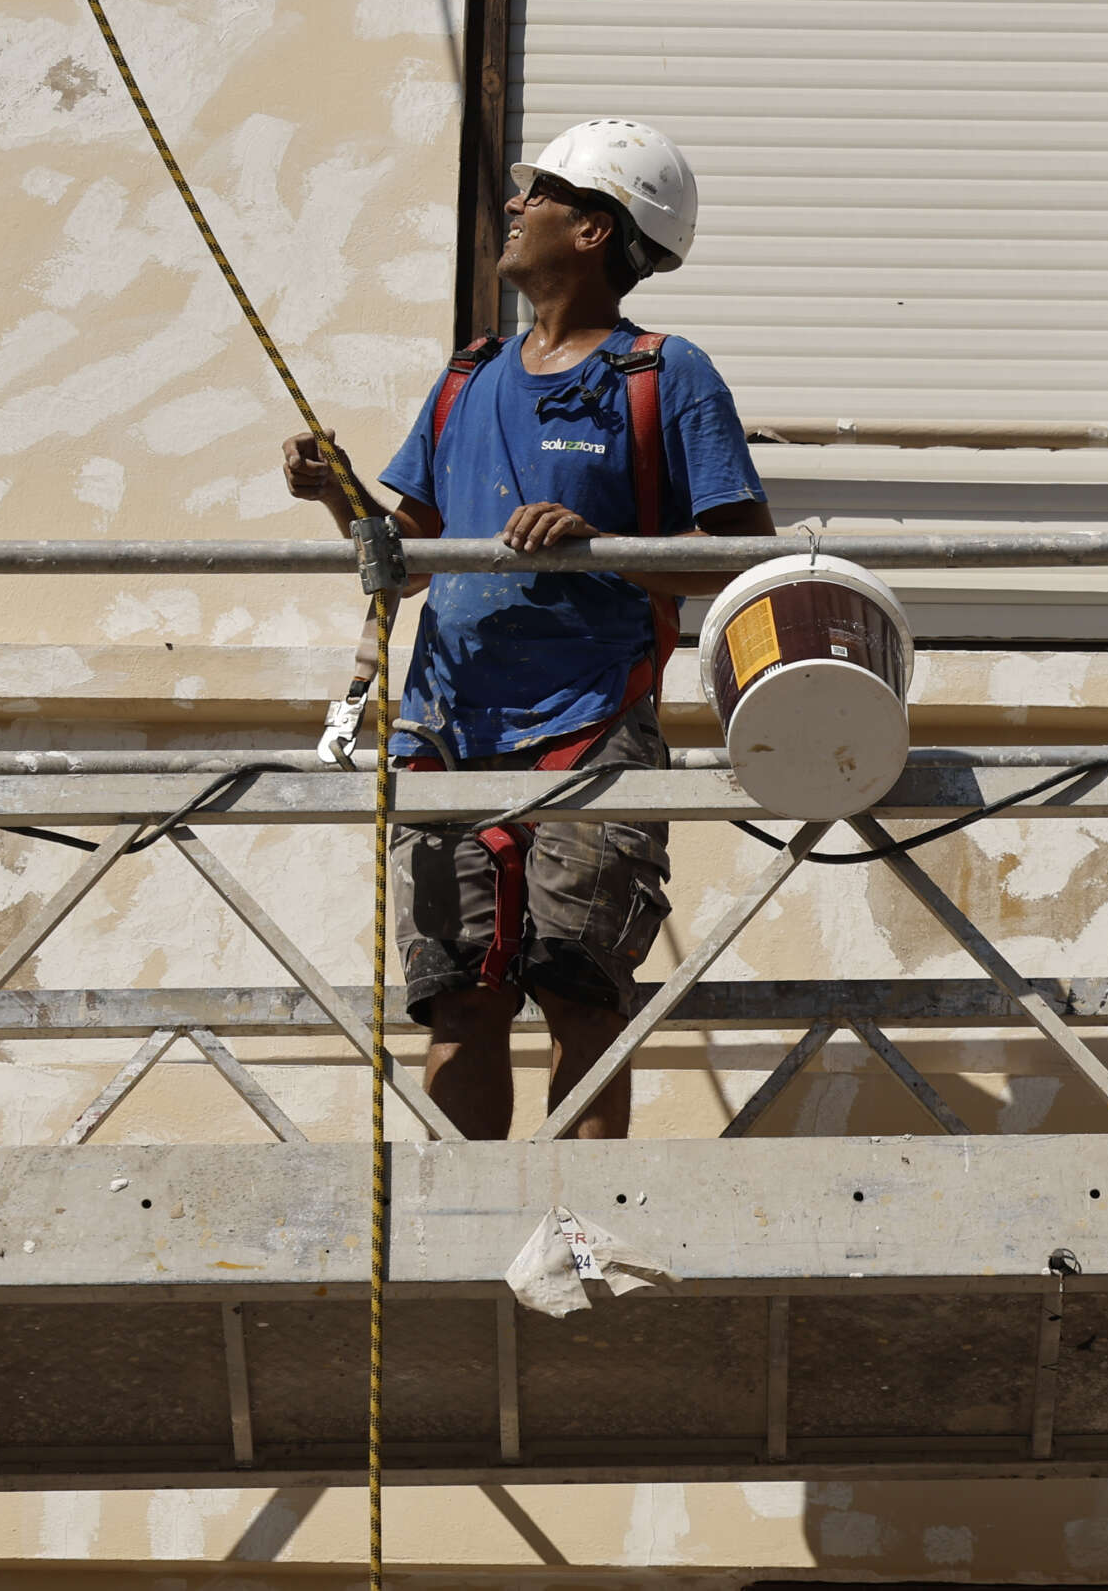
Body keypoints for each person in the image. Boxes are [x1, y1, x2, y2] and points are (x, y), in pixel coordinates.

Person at [280, 117, 775, 1139]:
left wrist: (599, 545)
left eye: (539, 192)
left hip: (590, 725)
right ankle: (464, 1228)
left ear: (594, 229)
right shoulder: (468, 376)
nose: (514, 205)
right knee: (457, 997)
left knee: (576, 989)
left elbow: (743, 555)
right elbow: (408, 555)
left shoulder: (663, 374)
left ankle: (574, 1220)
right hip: (447, 730)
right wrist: (339, 494)